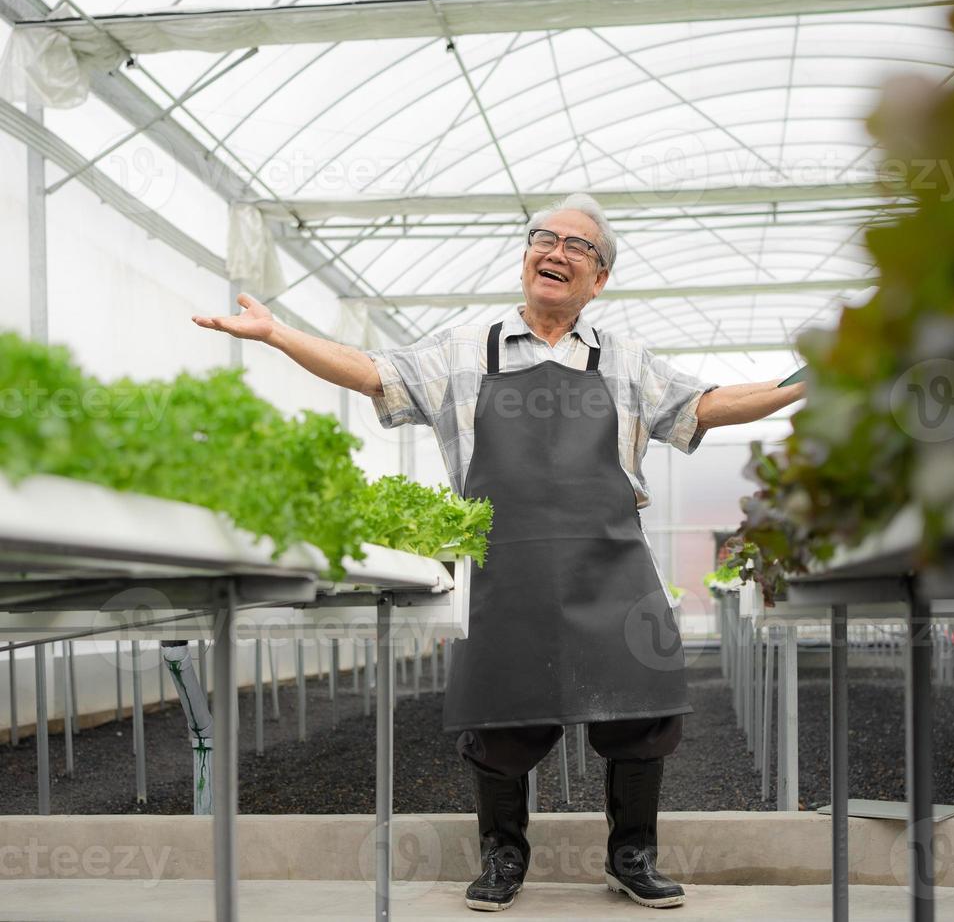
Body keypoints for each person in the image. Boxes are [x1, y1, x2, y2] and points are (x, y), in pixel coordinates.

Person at [192, 192, 807, 912]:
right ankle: (502, 858)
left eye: (577, 246)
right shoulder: (461, 352)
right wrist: (276, 334)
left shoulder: (626, 361)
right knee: (503, 718)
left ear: (599, 278)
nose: (556, 251)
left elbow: (707, 404)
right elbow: (369, 372)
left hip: (610, 559)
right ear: (524, 260)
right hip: (505, 563)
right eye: (543, 238)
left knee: (642, 711)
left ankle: (631, 856)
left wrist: (802, 384)